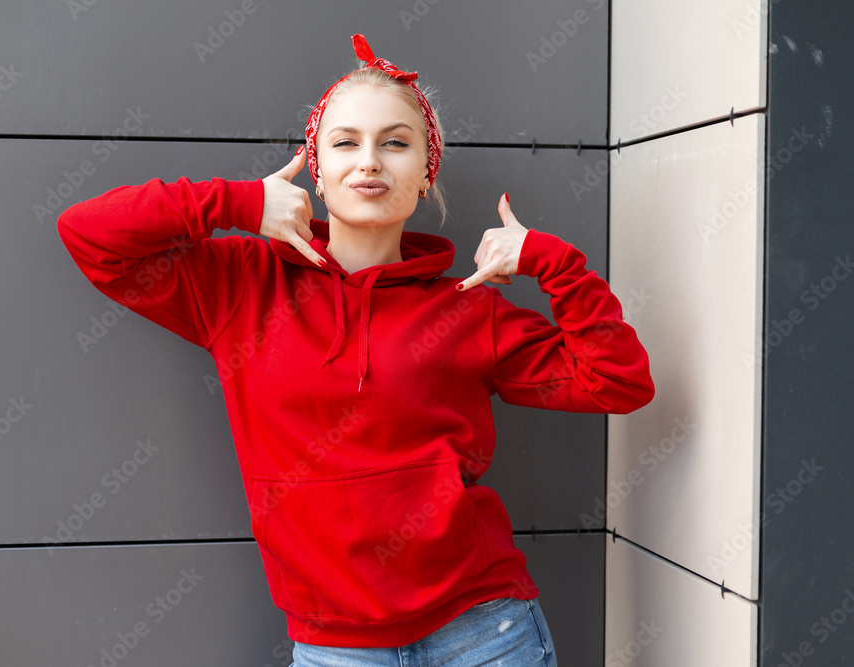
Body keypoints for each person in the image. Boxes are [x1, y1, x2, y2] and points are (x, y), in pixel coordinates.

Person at [58, 33, 653, 667]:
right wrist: (237, 202)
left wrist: (552, 262)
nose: (369, 161)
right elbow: (90, 235)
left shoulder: (468, 307)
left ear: (426, 172)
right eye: (345, 143)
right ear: (315, 167)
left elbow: (616, 382)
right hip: (335, 649)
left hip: (484, 631)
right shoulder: (241, 283)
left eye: (395, 143)